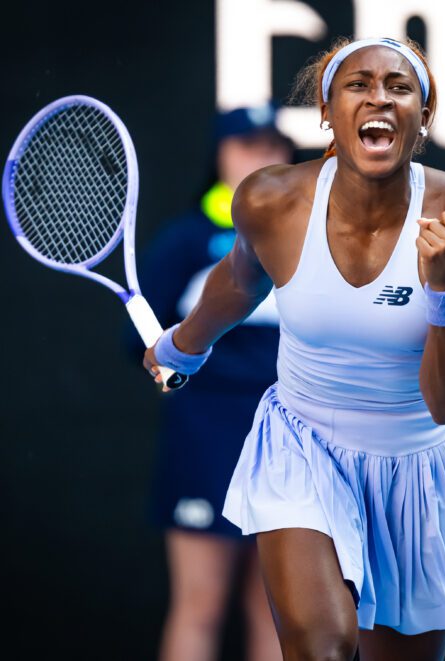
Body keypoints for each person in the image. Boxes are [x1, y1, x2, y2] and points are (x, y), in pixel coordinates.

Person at [144, 37, 445, 661]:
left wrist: (444, 291)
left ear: (423, 116)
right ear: (327, 112)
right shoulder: (270, 200)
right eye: (358, 84)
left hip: (417, 465)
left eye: (399, 86)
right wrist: (182, 346)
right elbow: (241, 279)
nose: (378, 96)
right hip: (302, 446)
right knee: (321, 649)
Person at [133, 103, 293, 661]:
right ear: (219, 156)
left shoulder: (311, 242)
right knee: (199, 605)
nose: (262, 157)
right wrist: (161, 363)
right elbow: (144, 348)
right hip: (202, 442)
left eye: (274, 146)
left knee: (276, 614)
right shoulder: (186, 240)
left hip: (290, 446)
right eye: (247, 145)